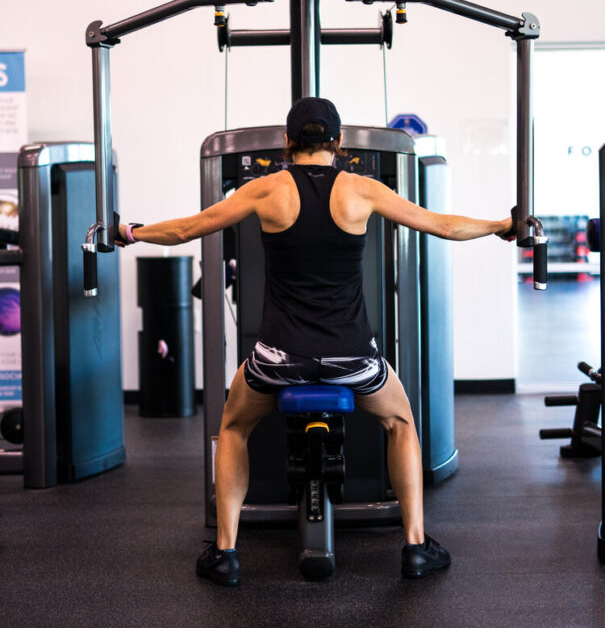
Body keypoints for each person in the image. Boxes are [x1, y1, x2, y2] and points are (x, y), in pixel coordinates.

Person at [117, 98, 514, 586]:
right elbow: (445, 226)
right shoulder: (362, 190)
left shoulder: (265, 190)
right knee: (399, 421)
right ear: (339, 143)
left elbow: (185, 230)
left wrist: (127, 231)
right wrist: (502, 227)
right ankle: (414, 546)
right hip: (353, 358)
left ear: (288, 143)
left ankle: (225, 553)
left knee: (235, 427)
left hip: (278, 359)